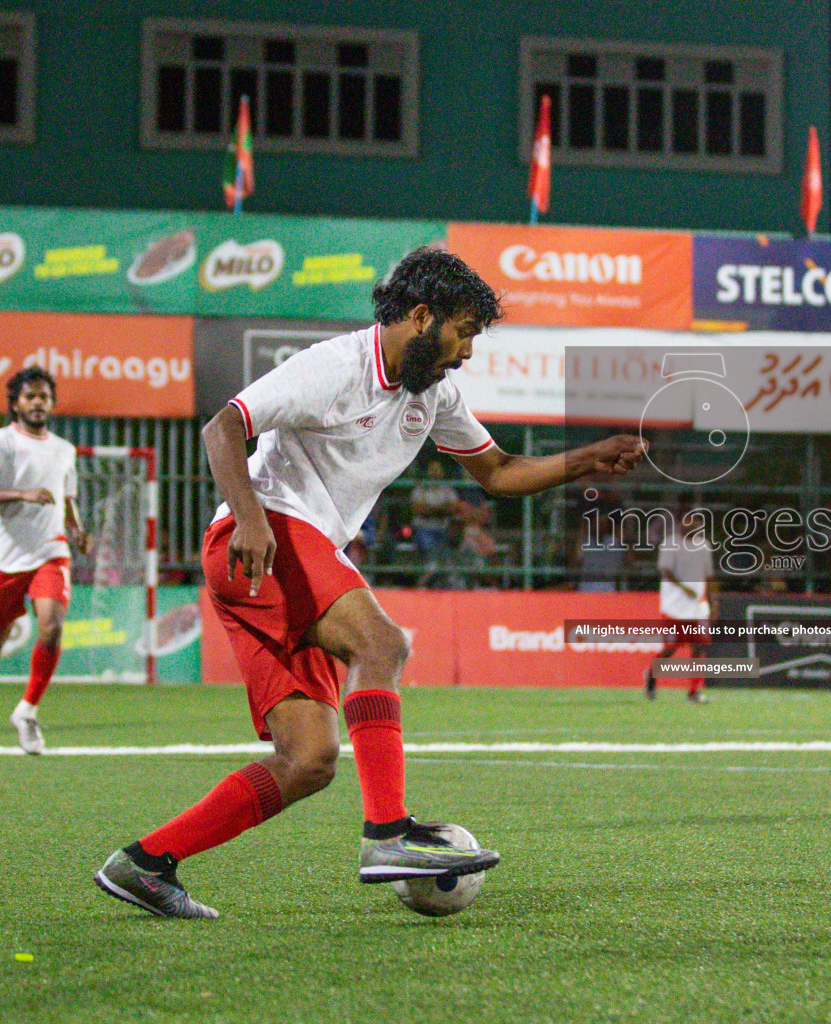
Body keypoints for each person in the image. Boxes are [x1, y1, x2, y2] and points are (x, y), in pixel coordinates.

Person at [94, 246, 646, 919]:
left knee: (310, 759)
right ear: (421, 316)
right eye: (463, 332)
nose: (466, 352)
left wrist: (587, 458)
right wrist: (248, 518)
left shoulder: (433, 393)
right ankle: (388, 834)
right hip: (261, 536)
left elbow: (497, 473)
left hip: (290, 552)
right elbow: (223, 427)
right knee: (382, 644)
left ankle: (146, 862)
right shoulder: (335, 368)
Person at [0, 368, 93, 755]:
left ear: (52, 403)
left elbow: (65, 497)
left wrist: (77, 529)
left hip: (50, 552)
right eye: (30, 396)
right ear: (16, 403)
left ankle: (27, 711)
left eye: (44, 396)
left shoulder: (64, 449)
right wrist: (22, 494)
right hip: (4, 557)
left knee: (52, 627)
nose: (38, 403)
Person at [645, 506, 716, 704]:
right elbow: (665, 571)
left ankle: (693, 692)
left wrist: (712, 603)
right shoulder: (670, 544)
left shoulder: (704, 546)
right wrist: (684, 588)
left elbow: (709, 576)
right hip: (674, 606)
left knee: (699, 648)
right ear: (681, 523)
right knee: (671, 648)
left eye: (696, 521)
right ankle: (651, 675)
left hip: (698, 607)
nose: (693, 524)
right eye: (689, 520)